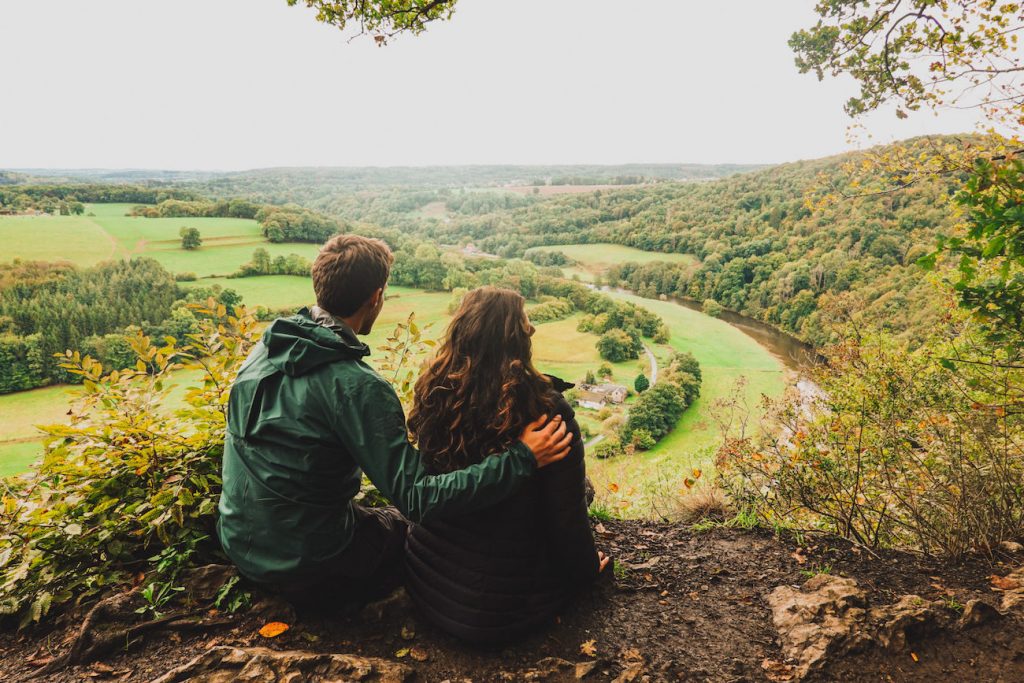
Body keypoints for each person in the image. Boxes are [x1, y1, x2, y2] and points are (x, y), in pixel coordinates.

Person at [216, 235, 572, 612]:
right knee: (406, 531)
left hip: (240, 542)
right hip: (308, 567)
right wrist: (522, 458)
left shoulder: (269, 347)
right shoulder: (358, 386)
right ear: (376, 296)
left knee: (381, 520)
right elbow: (418, 498)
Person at [404, 286, 609, 644]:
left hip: (425, 587)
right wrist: (590, 572)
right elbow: (567, 518)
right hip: (499, 612)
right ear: (517, 337)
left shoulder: (434, 391)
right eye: (526, 321)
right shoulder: (544, 411)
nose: (533, 329)